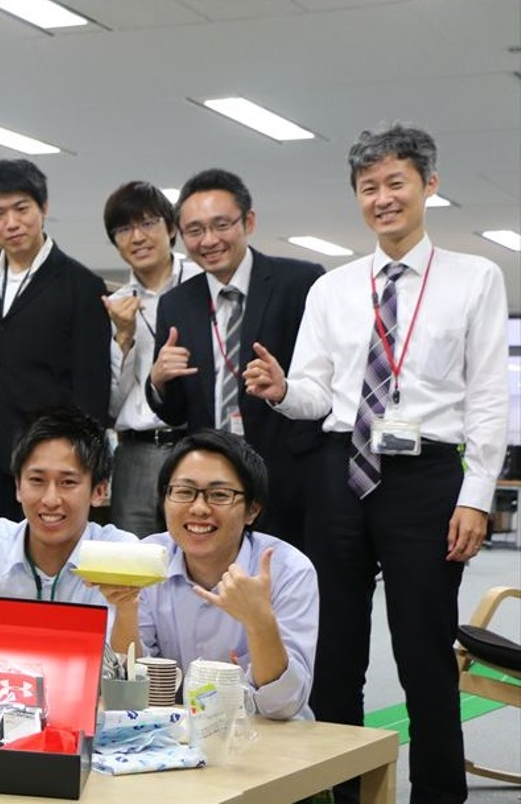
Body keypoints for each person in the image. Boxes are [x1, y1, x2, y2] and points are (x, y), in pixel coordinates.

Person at [245, 124, 509, 803]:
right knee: (335, 654)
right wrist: (282, 390)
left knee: (424, 654)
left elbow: (486, 396)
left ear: (429, 186)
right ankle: (345, 795)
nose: (383, 198)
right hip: (340, 473)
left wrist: (477, 495)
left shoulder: (475, 278)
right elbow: (316, 393)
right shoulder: (333, 287)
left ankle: (437, 795)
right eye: (369, 187)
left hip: (427, 478)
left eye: (397, 183)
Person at [146, 168, 322, 547]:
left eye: (221, 225)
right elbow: (175, 412)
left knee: (284, 576)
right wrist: (158, 381)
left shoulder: (301, 283)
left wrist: (285, 387)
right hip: (211, 483)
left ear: (249, 222)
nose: (209, 240)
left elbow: (325, 381)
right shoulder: (176, 303)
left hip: (288, 474)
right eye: (194, 230)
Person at [0, 159, 110, 521]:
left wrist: (83, 461)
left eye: (21, 209)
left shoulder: (82, 286)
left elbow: (91, 389)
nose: (11, 223)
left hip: (40, 455)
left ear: (43, 208)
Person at [107, 430, 318, 721]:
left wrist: (259, 622)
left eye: (219, 495)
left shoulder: (288, 571)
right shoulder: (146, 561)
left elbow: (282, 706)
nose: (199, 508)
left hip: (267, 737)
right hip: (174, 736)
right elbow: (131, 691)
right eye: (184, 492)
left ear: (252, 510)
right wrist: (126, 609)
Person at [0, 406, 139, 650]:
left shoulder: (121, 555)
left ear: (99, 491)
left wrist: (127, 609)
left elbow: (132, 668)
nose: (50, 500)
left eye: (67, 482)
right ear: (18, 487)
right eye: (37, 480)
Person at [101, 181, 195, 537]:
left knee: (200, 551)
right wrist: (122, 338)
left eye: (148, 223)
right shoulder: (113, 305)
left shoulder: (203, 285)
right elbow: (111, 402)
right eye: (123, 229)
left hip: (196, 441)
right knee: (132, 556)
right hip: (136, 451)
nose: (137, 237)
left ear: (171, 228)